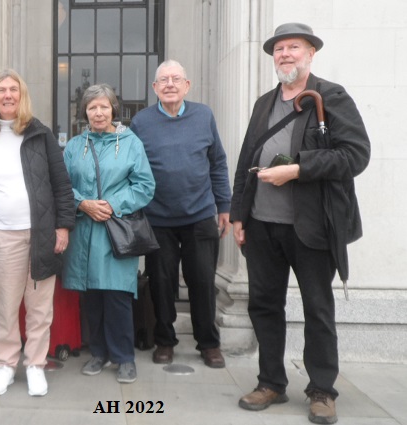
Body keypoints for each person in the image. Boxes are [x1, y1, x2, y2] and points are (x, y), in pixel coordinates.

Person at [231, 23, 370, 424]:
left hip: (311, 226)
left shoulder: (332, 96)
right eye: (279, 49)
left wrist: (298, 169)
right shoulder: (264, 103)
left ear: (311, 54)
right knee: (264, 306)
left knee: (317, 308)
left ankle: (322, 390)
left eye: (294, 47)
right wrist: (239, 214)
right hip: (261, 225)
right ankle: (271, 382)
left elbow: (355, 156)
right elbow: (246, 160)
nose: (285, 54)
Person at [0, 69, 74, 397]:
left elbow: (61, 183)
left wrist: (62, 225)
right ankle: (6, 365)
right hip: (0, 236)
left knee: (39, 306)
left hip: (39, 234)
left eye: (14, 90)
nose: (8, 95)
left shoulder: (39, 134)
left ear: (22, 96)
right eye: (1, 90)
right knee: (5, 306)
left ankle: (35, 364)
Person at [130, 60, 232, 368]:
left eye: (176, 79)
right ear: (155, 88)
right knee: (161, 283)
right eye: (164, 80)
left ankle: (208, 343)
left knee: (202, 281)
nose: (170, 84)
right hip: (157, 218)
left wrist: (224, 205)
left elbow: (217, 162)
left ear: (187, 85)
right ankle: (165, 340)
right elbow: (132, 168)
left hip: (200, 214)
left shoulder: (204, 116)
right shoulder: (141, 122)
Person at [62, 84, 155, 384]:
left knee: (117, 296)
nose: (98, 112)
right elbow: (63, 186)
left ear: (114, 109)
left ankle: (124, 357)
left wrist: (112, 205)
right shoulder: (76, 145)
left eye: (104, 107)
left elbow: (144, 186)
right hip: (83, 231)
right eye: (92, 108)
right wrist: (83, 204)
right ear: (84, 112)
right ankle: (98, 353)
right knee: (91, 297)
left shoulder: (131, 143)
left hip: (116, 232)